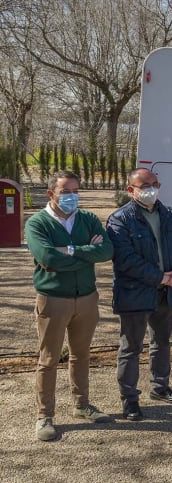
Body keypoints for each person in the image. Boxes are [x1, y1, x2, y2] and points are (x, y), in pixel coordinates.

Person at [25, 170, 114, 442]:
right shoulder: (37, 223)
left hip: (86, 298)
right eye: (65, 192)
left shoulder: (87, 219)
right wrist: (86, 252)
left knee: (81, 355)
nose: (72, 197)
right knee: (49, 359)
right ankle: (45, 416)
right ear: (51, 194)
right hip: (53, 300)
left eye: (75, 191)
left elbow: (107, 251)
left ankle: (82, 405)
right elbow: (48, 258)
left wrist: (71, 250)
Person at [107, 168, 172, 421]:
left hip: (167, 292)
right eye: (144, 185)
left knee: (162, 342)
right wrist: (159, 276)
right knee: (131, 348)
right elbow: (125, 259)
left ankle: (160, 387)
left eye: (154, 183)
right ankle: (130, 400)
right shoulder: (120, 219)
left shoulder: (168, 213)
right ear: (130, 190)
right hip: (136, 293)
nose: (151, 189)